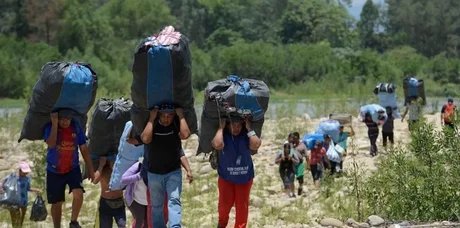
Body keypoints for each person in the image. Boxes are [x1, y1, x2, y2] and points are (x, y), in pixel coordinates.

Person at [138, 104, 193, 228]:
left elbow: (185, 136)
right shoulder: (153, 125)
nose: (166, 119)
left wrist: (181, 116)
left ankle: (175, 226)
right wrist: (152, 119)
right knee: (156, 206)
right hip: (154, 174)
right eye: (163, 116)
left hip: (173, 172)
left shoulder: (175, 124)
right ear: (159, 115)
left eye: (169, 116)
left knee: (174, 201)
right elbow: (145, 139)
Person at [44, 110, 95, 228]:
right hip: (54, 170)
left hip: (73, 168)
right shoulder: (50, 127)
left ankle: (73, 222)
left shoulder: (76, 127)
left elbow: (84, 148)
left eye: (67, 119)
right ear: (57, 118)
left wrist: (91, 169)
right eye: (62, 119)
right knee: (57, 203)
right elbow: (51, 144)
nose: (65, 122)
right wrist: (55, 123)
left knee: (79, 193)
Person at [211, 116, 261, 228]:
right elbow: (217, 144)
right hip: (226, 178)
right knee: (224, 206)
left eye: (239, 125)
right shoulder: (224, 135)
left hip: (244, 178)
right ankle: (222, 224)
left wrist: (248, 128)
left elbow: (256, 145)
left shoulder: (246, 135)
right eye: (233, 125)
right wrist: (221, 128)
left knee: (242, 208)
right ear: (228, 125)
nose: (236, 128)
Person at [0, 162, 42, 228]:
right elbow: (3, 182)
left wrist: (36, 190)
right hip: (15, 200)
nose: (26, 173)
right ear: (20, 170)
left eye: (26, 172)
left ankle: (20, 225)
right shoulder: (13, 177)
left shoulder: (27, 179)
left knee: (23, 214)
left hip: (24, 200)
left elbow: (28, 188)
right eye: (24, 171)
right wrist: (1, 189)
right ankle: (16, 226)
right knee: (16, 216)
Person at [93, 156, 126, 228]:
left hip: (119, 202)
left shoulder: (120, 170)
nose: (113, 163)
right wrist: (101, 165)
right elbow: (95, 180)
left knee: (122, 225)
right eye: (112, 161)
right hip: (105, 203)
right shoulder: (103, 170)